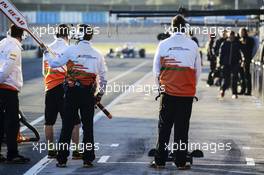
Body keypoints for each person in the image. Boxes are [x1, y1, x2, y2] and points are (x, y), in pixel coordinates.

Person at [44, 24, 107, 168]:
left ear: (78, 35)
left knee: (67, 126)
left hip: (72, 93)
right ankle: (88, 159)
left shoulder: (71, 49)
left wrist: (46, 52)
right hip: (88, 94)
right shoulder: (97, 54)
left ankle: (61, 159)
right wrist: (100, 94)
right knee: (88, 127)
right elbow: (104, 78)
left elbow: (54, 63)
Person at [151, 15, 201, 170]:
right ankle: (180, 162)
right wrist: (190, 87)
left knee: (164, 128)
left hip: (168, 93)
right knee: (182, 129)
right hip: (186, 94)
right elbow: (198, 71)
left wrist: (161, 87)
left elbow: (155, 70)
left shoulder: (163, 44)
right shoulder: (193, 45)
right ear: (184, 27)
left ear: (171, 27)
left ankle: (160, 161)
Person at [43, 24, 81, 159]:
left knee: (49, 122)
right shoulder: (70, 49)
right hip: (65, 88)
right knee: (74, 121)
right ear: (68, 35)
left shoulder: (47, 49)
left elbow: (44, 71)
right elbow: (75, 71)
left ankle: (51, 150)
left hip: (50, 88)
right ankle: (76, 150)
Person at [0, 24, 30, 164]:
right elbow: (7, 69)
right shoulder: (14, 47)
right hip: (8, 89)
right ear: (21, 35)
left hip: (3, 88)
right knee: (12, 123)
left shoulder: (3, 42)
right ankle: (12, 154)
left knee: (0, 122)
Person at [219, 31, 242, 99]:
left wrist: (240, 61)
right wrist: (220, 63)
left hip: (235, 64)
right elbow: (221, 54)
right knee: (227, 80)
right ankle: (223, 89)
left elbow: (240, 53)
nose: (231, 37)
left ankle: (234, 93)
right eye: (230, 36)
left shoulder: (237, 44)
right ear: (228, 36)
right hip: (226, 64)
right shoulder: (224, 43)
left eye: (232, 36)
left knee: (234, 78)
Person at [239, 28, 255, 95]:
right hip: (241, 60)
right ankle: (243, 89)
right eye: (240, 32)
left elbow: (248, 50)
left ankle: (248, 91)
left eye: (242, 32)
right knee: (242, 76)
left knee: (247, 76)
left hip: (247, 60)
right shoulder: (240, 40)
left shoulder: (249, 40)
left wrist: (242, 44)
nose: (241, 33)